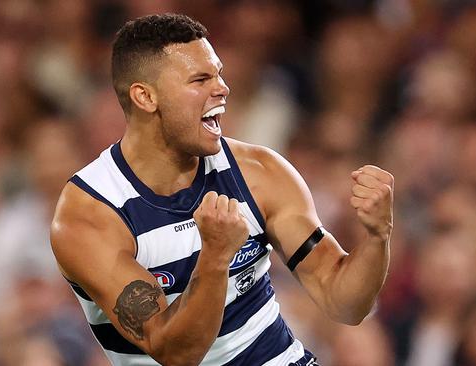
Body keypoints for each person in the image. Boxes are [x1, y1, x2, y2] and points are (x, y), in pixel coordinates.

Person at [50, 13, 393, 366]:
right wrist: (214, 257)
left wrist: (376, 236)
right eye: (200, 79)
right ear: (145, 97)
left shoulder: (260, 172)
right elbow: (175, 352)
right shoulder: (89, 214)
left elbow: (344, 303)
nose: (222, 88)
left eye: (218, 73)